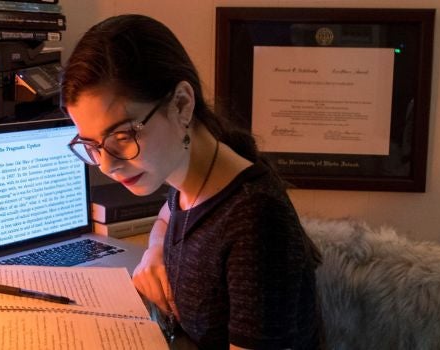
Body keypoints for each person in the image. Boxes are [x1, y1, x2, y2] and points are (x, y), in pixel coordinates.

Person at [61, 14, 325, 349]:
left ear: (182, 104)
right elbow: (170, 214)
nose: (107, 165)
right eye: (91, 145)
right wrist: (155, 250)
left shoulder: (254, 220)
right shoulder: (187, 176)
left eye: (123, 136)